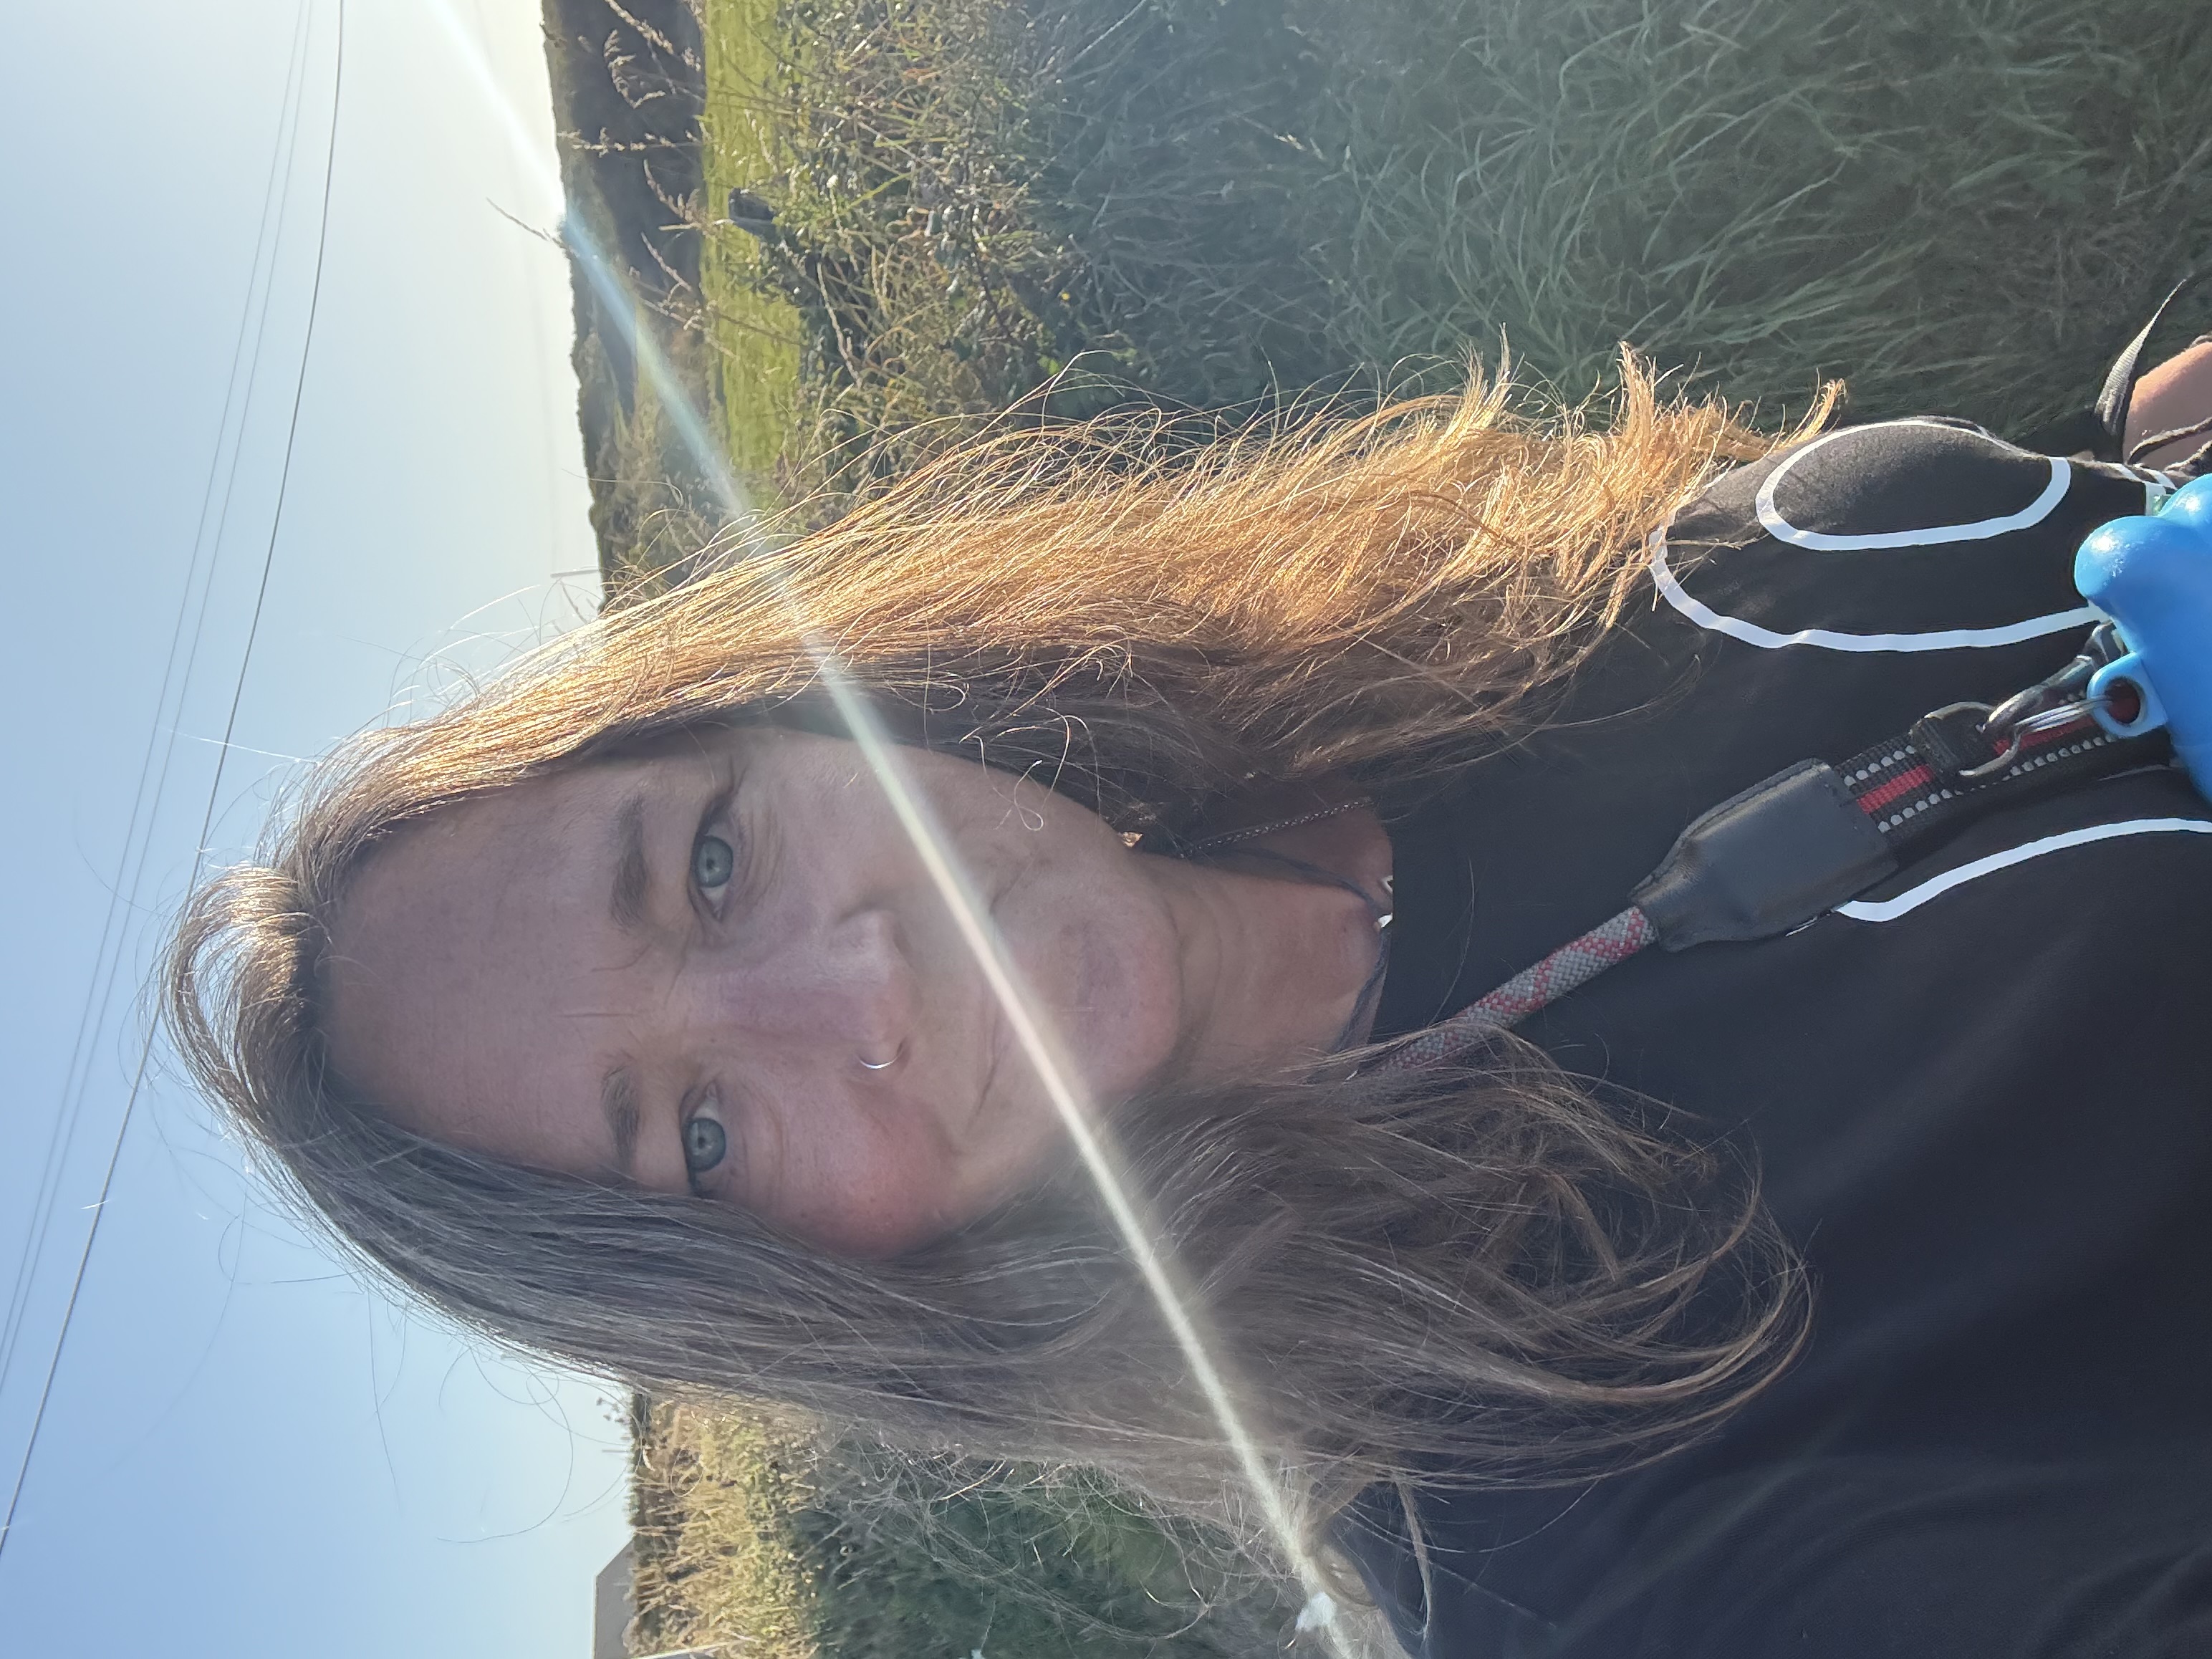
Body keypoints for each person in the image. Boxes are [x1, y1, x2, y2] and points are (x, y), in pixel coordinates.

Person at [165, 337, 2212, 1657]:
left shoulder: (1541, 601)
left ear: (796, 710)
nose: (857, 976)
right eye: (704, 1131)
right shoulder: (1565, 1516)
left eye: (711, 862)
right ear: (792, 1289)